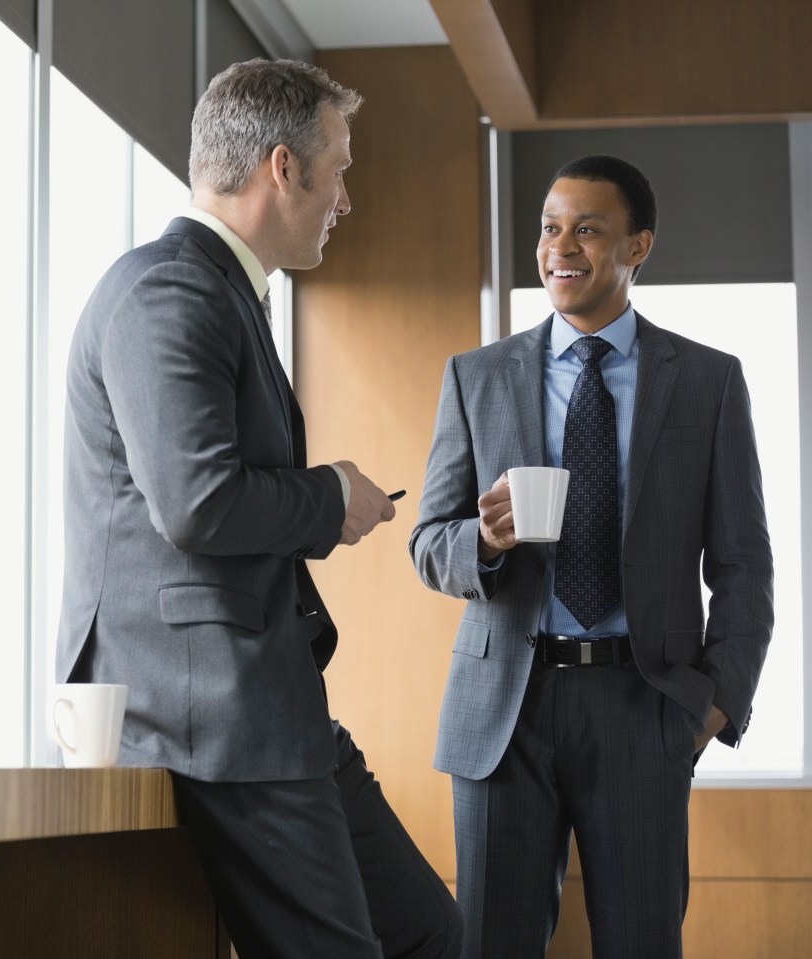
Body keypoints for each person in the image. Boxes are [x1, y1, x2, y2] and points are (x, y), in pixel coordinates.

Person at [56, 58, 461, 959]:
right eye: (341, 170)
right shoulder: (167, 289)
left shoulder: (223, 293)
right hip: (211, 719)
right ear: (284, 168)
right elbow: (198, 504)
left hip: (272, 708)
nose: (345, 199)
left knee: (431, 928)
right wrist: (331, 496)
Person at [410, 154, 774, 957]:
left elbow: (745, 567)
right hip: (504, 706)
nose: (559, 247)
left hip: (643, 703)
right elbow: (428, 540)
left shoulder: (709, 382)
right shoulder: (476, 377)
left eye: (587, 229)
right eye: (548, 227)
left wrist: (712, 706)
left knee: (643, 943)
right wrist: (487, 541)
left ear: (638, 245)